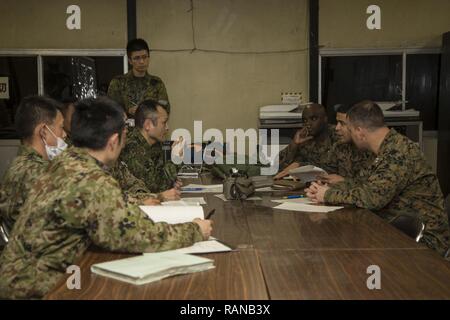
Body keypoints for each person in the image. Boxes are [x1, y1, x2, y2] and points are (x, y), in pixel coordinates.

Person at [0, 97, 212, 299]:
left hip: (21, 277)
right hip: (35, 289)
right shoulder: (93, 180)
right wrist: (195, 230)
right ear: (113, 142)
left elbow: (112, 207)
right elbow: (143, 236)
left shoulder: (65, 164)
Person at [305, 101, 449, 256]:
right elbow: (363, 184)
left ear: (360, 132)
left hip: (423, 242)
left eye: (351, 130)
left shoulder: (398, 152)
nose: (351, 136)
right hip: (396, 230)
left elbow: (372, 198)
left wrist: (327, 195)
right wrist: (328, 189)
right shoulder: (385, 149)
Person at [0, 96, 66, 233]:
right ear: (43, 131)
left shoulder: (23, 165)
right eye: (61, 127)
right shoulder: (36, 172)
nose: (64, 134)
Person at [120, 99, 181, 200]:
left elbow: (162, 178)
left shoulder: (155, 145)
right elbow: (155, 187)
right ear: (148, 125)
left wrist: (172, 181)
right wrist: (175, 158)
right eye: (164, 123)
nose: (167, 128)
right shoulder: (133, 148)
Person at [107, 38, 170, 117]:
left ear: (149, 58)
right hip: (127, 128)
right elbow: (110, 110)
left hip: (150, 127)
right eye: (137, 58)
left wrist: (149, 112)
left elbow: (165, 109)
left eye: (144, 57)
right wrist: (128, 111)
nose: (141, 62)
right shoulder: (118, 83)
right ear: (130, 61)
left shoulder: (156, 83)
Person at [275, 103, 339, 179]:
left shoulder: (338, 135)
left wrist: (301, 166)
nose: (308, 124)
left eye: (313, 119)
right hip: (305, 186)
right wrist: (294, 145)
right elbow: (278, 168)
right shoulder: (305, 137)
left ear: (325, 119)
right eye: (305, 120)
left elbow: (337, 170)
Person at [318, 104, 375, 185]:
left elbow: (371, 190)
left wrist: (344, 182)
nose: (337, 128)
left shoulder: (372, 149)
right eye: (337, 122)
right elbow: (327, 173)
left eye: (342, 123)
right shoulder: (339, 146)